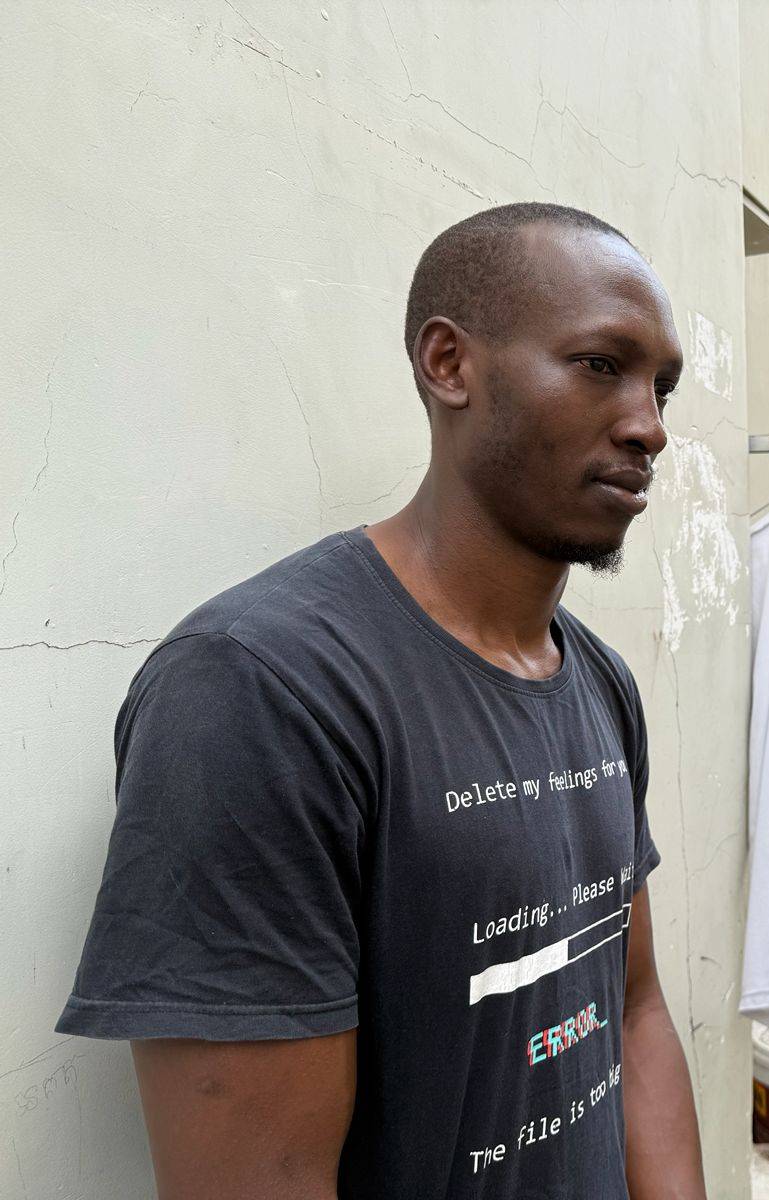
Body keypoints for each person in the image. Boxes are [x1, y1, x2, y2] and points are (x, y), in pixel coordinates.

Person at [57, 203, 707, 1199]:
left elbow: (633, 1010)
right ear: (449, 365)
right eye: (598, 365)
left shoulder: (600, 685)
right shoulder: (263, 691)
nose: (649, 427)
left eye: (661, 385)